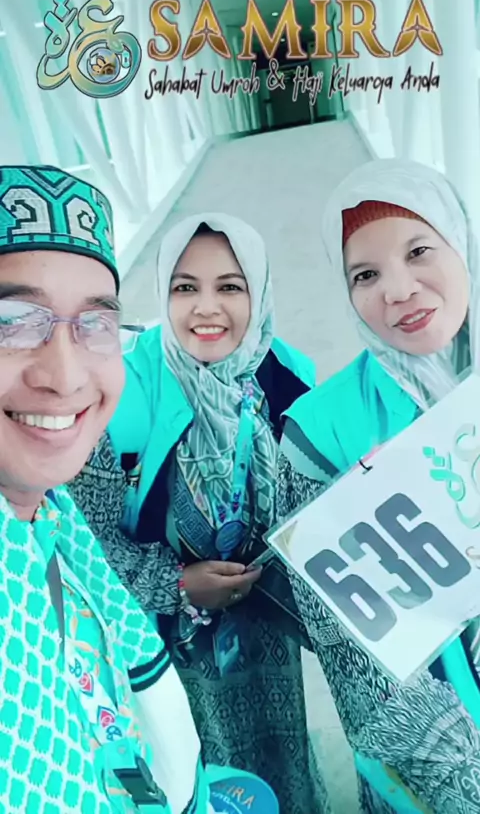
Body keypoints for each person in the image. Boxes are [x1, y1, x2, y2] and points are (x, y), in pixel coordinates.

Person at [0, 165, 258, 814]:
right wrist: (177, 584)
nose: (65, 375)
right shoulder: (120, 410)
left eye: (94, 322)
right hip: (178, 626)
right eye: (12, 321)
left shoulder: (49, 519)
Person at [70, 213, 329, 813]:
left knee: (279, 746)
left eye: (230, 287)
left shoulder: (287, 377)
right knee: (192, 764)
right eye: (185, 287)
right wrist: (179, 585)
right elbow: (88, 542)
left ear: (259, 292)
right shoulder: (121, 393)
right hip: (166, 637)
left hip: (266, 625)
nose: (206, 308)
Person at [276, 158, 480, 814]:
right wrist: (461, 779)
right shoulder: (320, 432)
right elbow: (349, 648)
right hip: (443, 766)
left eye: (418, 251)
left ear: (461, 242)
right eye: (365, 274)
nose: (398, 290)